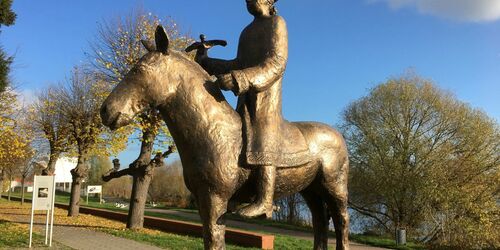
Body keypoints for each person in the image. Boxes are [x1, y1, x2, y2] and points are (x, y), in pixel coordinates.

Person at [196, 0, 306, 218]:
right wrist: (206, 61)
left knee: (264, 132)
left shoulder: (277, 23)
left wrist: (241, 78)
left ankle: (265, 200)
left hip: (266, 95)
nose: (247, 1)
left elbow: (276, 62)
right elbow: (237, 63)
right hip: (245, 98)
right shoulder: (247, 31)